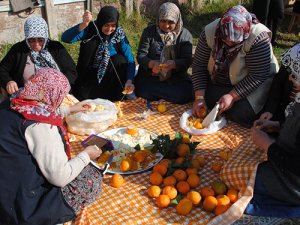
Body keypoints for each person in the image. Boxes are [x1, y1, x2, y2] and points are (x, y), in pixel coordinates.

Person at [0, 68, 103, 225]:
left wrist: (69, 110)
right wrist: (86, 155)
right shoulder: (40, 126)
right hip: (24, 207)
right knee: (91, 177)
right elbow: (59, 177)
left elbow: (38, 109)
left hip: (6, 187)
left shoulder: (12, 101)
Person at [191, 5, 279, 128]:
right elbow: (199, 66)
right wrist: (199, 97)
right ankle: (221, 102)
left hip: (252, 83)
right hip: (219, 81)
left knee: (241, 114)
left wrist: (232, 96)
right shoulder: (209, 32)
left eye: (235, 41)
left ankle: (230, 104)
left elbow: (258, 75)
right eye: (225, 39)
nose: (229, 43)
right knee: (200, 99)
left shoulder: (258, 38)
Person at [245, 63, 300, 217]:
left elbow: (297, 164)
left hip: (293, 181)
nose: (289, 78)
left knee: (241, 178)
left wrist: (267, 144)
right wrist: (276, 126)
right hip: (284, 167)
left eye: (295, 74)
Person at [62, 6, 135, 101]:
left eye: (113, 25)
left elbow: (130, 59)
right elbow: (65, 38)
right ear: (101, 22)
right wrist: (84, 24)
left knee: (120, 60)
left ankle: (115, 94)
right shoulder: (91, 29)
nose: (109, 29)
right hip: (89, 75)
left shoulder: (118, 34)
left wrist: (129, 80)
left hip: (110, 76)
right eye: (106, 25)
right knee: (84, 99)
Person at [0, 16, 77, 96]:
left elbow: (71, 70)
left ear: (45, 37)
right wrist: (8, 81)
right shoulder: (18, 50)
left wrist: (60, 86)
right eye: (31, 40)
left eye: (40, 40)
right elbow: (2, 69)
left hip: (58, 94)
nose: (36, 44)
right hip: (28, 97)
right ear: (27, 38)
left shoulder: (56, 48)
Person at [134, 2, 194, 104]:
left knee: (185, 93)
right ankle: (166, 98)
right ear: (158, 19)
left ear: (177, 20)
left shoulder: (185, 35)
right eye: (163, 21)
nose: (166, 26)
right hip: (151, 76)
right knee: (143, 90)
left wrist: (174, 64)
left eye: (171, 22)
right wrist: (152, 64)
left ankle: (160, 98)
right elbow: (141, 55)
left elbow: (187, 60)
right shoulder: (149, 32)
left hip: (175, 78)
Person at [257, 43, 300, 123]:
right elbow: (277, 85)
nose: (289, 78)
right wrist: (270, 111)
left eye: (294, 75)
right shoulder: (294, 56)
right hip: (283, 111)